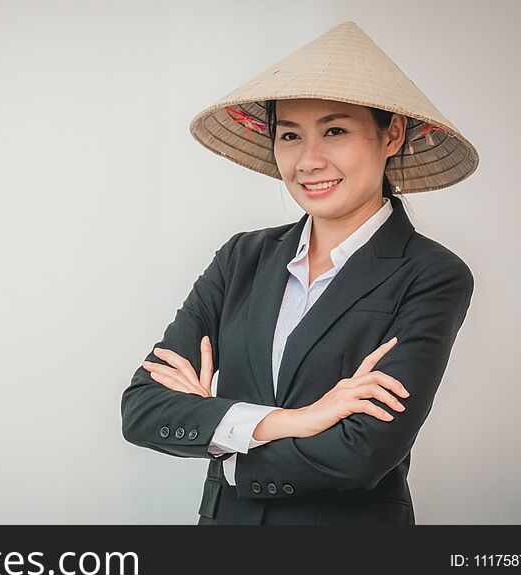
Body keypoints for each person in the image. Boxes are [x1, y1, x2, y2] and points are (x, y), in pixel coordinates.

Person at [120, 21, 477, 525]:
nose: (308, 161)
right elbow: (142, 409)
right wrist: (299, 420)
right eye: (290, 135)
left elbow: (364, 452)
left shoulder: (431, 274)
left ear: (391, 133)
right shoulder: (241, 259)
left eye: (335, 131)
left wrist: (226, 440)